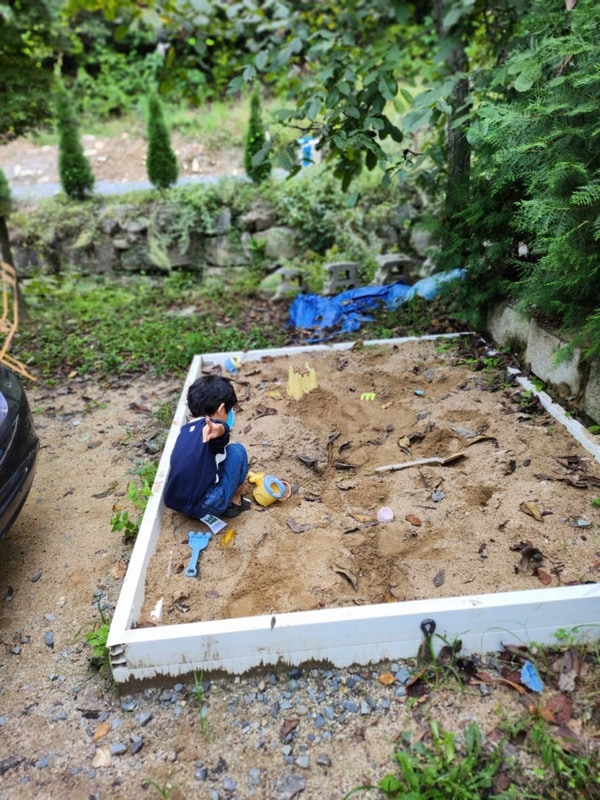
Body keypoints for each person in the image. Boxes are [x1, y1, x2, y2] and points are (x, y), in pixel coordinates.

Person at [164, 374, 250, 519]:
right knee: (237, 451)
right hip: (205, 506)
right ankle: (235, 502)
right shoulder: (214, 428)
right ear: (222, 409)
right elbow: (219, 437)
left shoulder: (185, 430)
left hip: (176, 502)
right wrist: (222, 430)